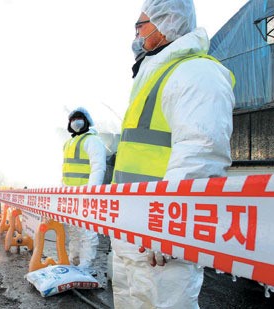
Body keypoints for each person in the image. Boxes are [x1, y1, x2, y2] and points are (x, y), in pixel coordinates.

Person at [111, 0, 235, 308]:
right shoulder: (152, 77)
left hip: (160, 241)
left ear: (165, 23)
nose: (137, 34)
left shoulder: (196, 73)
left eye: (141, 25)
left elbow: (201, 154)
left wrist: (169, 227)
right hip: (130, 232)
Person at [62, 107, 106, 273]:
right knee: (73, 231)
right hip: (70, 195)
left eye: (79, 118)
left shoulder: (92, 140)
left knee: (87, 232)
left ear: (87, 120)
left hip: (85, 195)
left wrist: (90, 193)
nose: (76, 121)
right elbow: (66, 171)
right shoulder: (69, 143)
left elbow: (98, 167)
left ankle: (86, 267)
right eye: (73, 119)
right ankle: (74, 262)